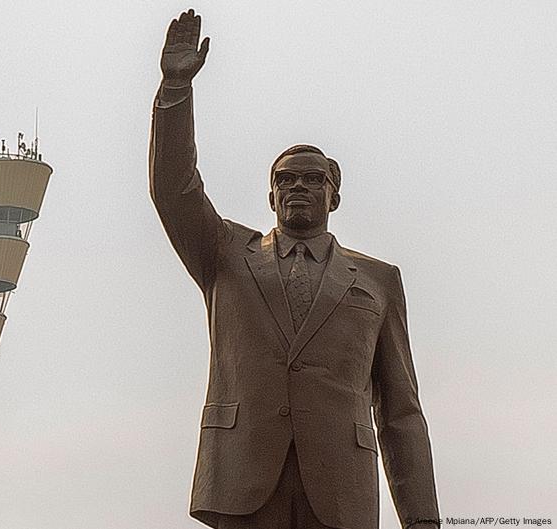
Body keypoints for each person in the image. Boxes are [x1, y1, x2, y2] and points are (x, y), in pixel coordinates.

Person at [149, 9, 440, 529]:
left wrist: (422, 519)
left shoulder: (378, 282)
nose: (297, 188)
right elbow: (175, 187)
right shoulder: (225, 256)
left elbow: (400, 411)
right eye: (286, 180)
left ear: (335, 194)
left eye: (311, 179)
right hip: (240, 483)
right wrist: (175, 89)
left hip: (341, 490)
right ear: (270, 195)